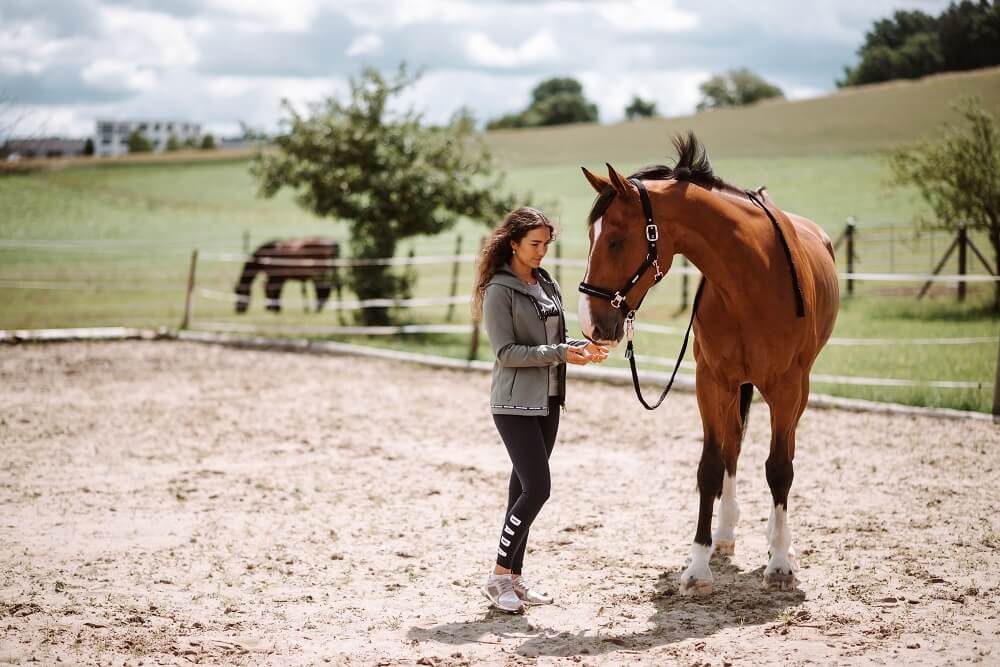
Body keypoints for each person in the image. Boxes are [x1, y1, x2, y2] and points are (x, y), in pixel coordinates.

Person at [471, 206, 608, 614]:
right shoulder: (499, 290)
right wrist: (560, 353)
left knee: (522, 490)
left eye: (546, 244)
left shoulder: (545, 282)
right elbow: (506, 352)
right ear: (513, 243)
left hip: (548, 399)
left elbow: (555, 335)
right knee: (538, 488)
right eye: (534, 244)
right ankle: (498, 576)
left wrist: (577, 348)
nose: (542, 251)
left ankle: (513, 576)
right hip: (513, 403)